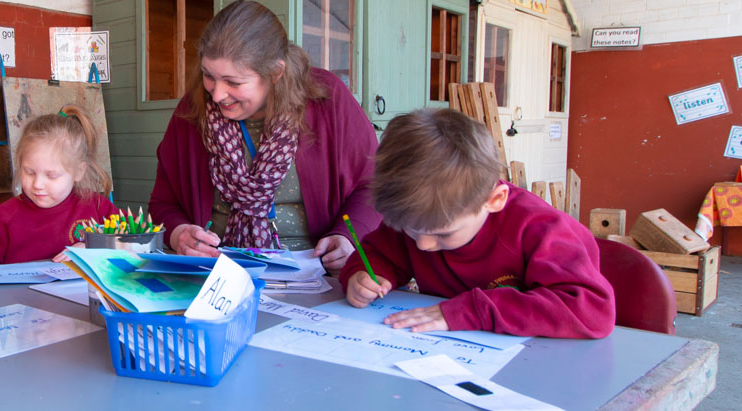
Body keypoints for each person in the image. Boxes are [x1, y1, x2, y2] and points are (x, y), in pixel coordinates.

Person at [147, 0, 380, 273]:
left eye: (233, 82)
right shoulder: (192, 108)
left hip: (315, 275)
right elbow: (163, 202)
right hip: (216, 274)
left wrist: (347, 237)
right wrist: (179, 233)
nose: (217, 94)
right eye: (208, 75)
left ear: (275, 73)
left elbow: (374, 187)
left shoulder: (328, 99)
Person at [342, 108, 615, 338]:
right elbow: (377, 255)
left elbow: (592, 310)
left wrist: (470, 311)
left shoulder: (539, 229)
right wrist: (363, 276)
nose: (423, 245)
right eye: (411, 231)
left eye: (443, 234)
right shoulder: (418, 215)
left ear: (494, 200)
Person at [0, 104, 120, 271]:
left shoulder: (97, 207)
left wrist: (94, 249)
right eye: (29, 172)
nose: (37, 185)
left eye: (51, 175)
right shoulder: (4, 218)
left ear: (78, 172)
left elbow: (137, 241)